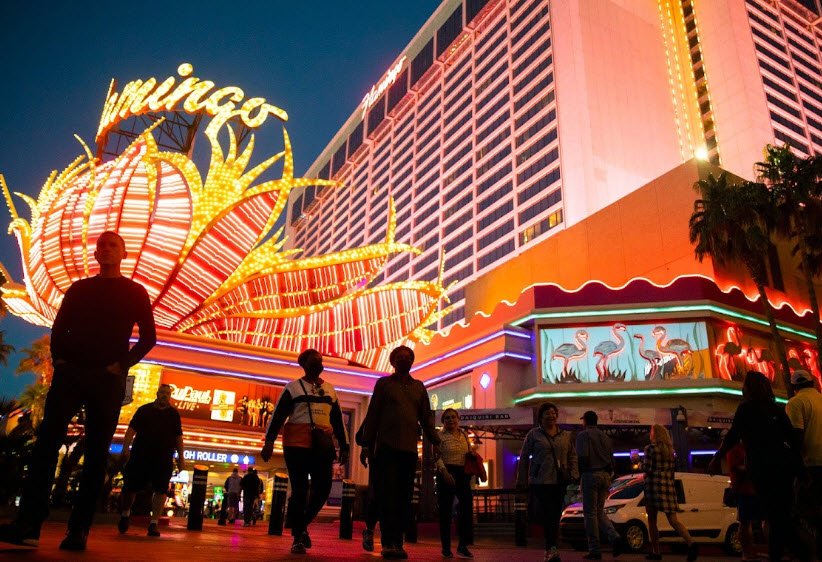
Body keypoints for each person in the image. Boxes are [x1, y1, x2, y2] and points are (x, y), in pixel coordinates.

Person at [0, 231, 156, 551]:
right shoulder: (79, 288)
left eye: (113, 244)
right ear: (95, 253)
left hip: (108, 380)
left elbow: (148, 337)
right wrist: (60, 360)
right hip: (70, 375)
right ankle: (29, 524)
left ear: (124, 253)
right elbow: (60, 327)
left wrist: (121, 365)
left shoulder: (135, 291)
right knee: (45, 447)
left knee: (97, 453)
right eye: (101, 245)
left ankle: (79, 529)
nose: (106, 249)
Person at [709, 371, 806, 562]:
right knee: (779, 516)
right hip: (783, 469)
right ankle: (784, 553)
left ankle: (801, 551)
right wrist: (800, 469)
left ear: (749, 388)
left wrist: (716, 458)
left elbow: (732, 437)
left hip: (763, 470)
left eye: (744, 385)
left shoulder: (746, 410)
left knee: (775, 516)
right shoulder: (776, 409)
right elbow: (793, 441)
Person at [260, 349, 349, 554]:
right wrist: (269, 442)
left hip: (322, 445)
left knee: (324, 487)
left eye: (320, 360)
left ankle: (300, 525)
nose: (319, 363)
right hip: (297, 445)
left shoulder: (329, 389)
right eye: (314, 361)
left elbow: (337, 419)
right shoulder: (293, 388)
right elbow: (278, 417)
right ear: (305, 364)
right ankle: (298, 536)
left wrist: (344, 446)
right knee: (300, 489)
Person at [360, 345, 442, 560]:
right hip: (385, 449)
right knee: (387, 496)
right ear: (393, 361)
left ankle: (398, 541)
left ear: (412, 361)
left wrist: (436, 440)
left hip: (408, 451)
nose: (404, 360)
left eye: (408, 357)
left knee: (404, 498)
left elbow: (426, 418)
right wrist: (366, 445)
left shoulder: (418, 387)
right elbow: (373, 414)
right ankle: (388, 543)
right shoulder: (384, 384)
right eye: (400, 357)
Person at [117, 384, 184, 537]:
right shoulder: (144, 410)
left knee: (161, 489)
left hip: (163, 457)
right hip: (141, 455)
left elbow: (178, 437)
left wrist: (181, 458)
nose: (165, 396)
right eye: (162, 393)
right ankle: (125, 514)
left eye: (167, 393)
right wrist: (125, 448)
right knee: (130, 487)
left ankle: (153, 523)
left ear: (170, 396)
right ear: (157, 393)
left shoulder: (174, 414)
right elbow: (131, 430)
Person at [516, 402, 578, 562]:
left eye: (553, 413)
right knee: (545, 516)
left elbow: (572, 455)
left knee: (555, 515)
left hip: (559, 482)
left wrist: (574, 474)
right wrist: (521, 479)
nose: (551, 416)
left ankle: (552, 549)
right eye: (547, 413)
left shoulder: (565, 435)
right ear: (540, 417)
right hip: (540, 482)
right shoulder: (533, 435)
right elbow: (523, 457)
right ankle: (551, 548)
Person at [642, 424, 698, 561]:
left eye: (651, 431)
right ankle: (691, 543)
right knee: (673, 520)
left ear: (655, 434)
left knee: (652, 521)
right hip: (668, 488)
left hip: (653, 488)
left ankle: (656, 552)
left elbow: (647, 469)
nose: (650, 433)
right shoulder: (670, 451)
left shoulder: (649, 449)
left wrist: (639, 461)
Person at [575, 410, 624, 560]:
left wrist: (579, 476)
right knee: (598, 511)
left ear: (585, 421)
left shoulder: (583, 436)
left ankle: (595, 549)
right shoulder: (605, 436)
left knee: (590, 513)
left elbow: (583, 457)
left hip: (591, 474)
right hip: (605, 475)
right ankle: (614, 536)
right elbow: (611, 459)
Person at [786, 370, 822, 556]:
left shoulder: (795, 402)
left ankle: (808, 552)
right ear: (813, 382)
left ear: (794, 387)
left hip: (810, 465)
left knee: (801, 513)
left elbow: (796, 437)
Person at [435, 408, 477, 559]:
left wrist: (471, 453)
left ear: (458, 419)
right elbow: (436, 456)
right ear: (443, 421)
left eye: (453, 417)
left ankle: (463, 545)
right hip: (446, 473)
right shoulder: (439, 436)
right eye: (447, 418)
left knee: (466, 510)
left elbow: (468, 451)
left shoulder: (464, 435)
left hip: (462, 474)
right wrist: (444, 472)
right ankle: (446, 547)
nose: (450, 420)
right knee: (445, 512)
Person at [725, 442, 762, 562]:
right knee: (745, 522)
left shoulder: (742, 447)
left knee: (747, 522)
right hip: (744, 489)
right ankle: (747, 552)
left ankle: (748, 552)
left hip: (749, 489)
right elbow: (737, 467)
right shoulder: (736, 448)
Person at [355, 424, 379, 552]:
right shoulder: (376, 411)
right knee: (376, 497)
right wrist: (366, 447)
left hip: (394, 458)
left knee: (388, 497)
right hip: (378, 458)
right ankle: (369, 530)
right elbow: (359, 437)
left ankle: (392, 538)